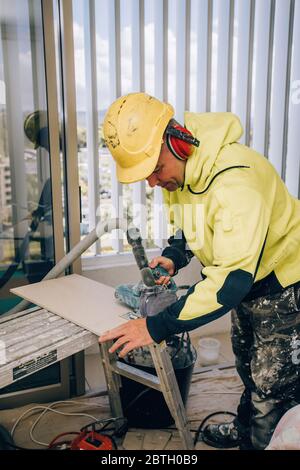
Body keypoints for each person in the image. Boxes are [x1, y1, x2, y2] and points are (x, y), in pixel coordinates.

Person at [99, 92, 300, 450]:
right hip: (249, 279)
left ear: (178, 142)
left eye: (155, 171)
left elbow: (228, 285)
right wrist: (174, 255)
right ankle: (245, 429)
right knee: (249, 364)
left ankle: (260, 442)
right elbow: (192, 223)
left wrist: (155, 326)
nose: (152, 183)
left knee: (273, 387)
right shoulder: (183, 171)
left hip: (283, 283)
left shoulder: (237, 183)